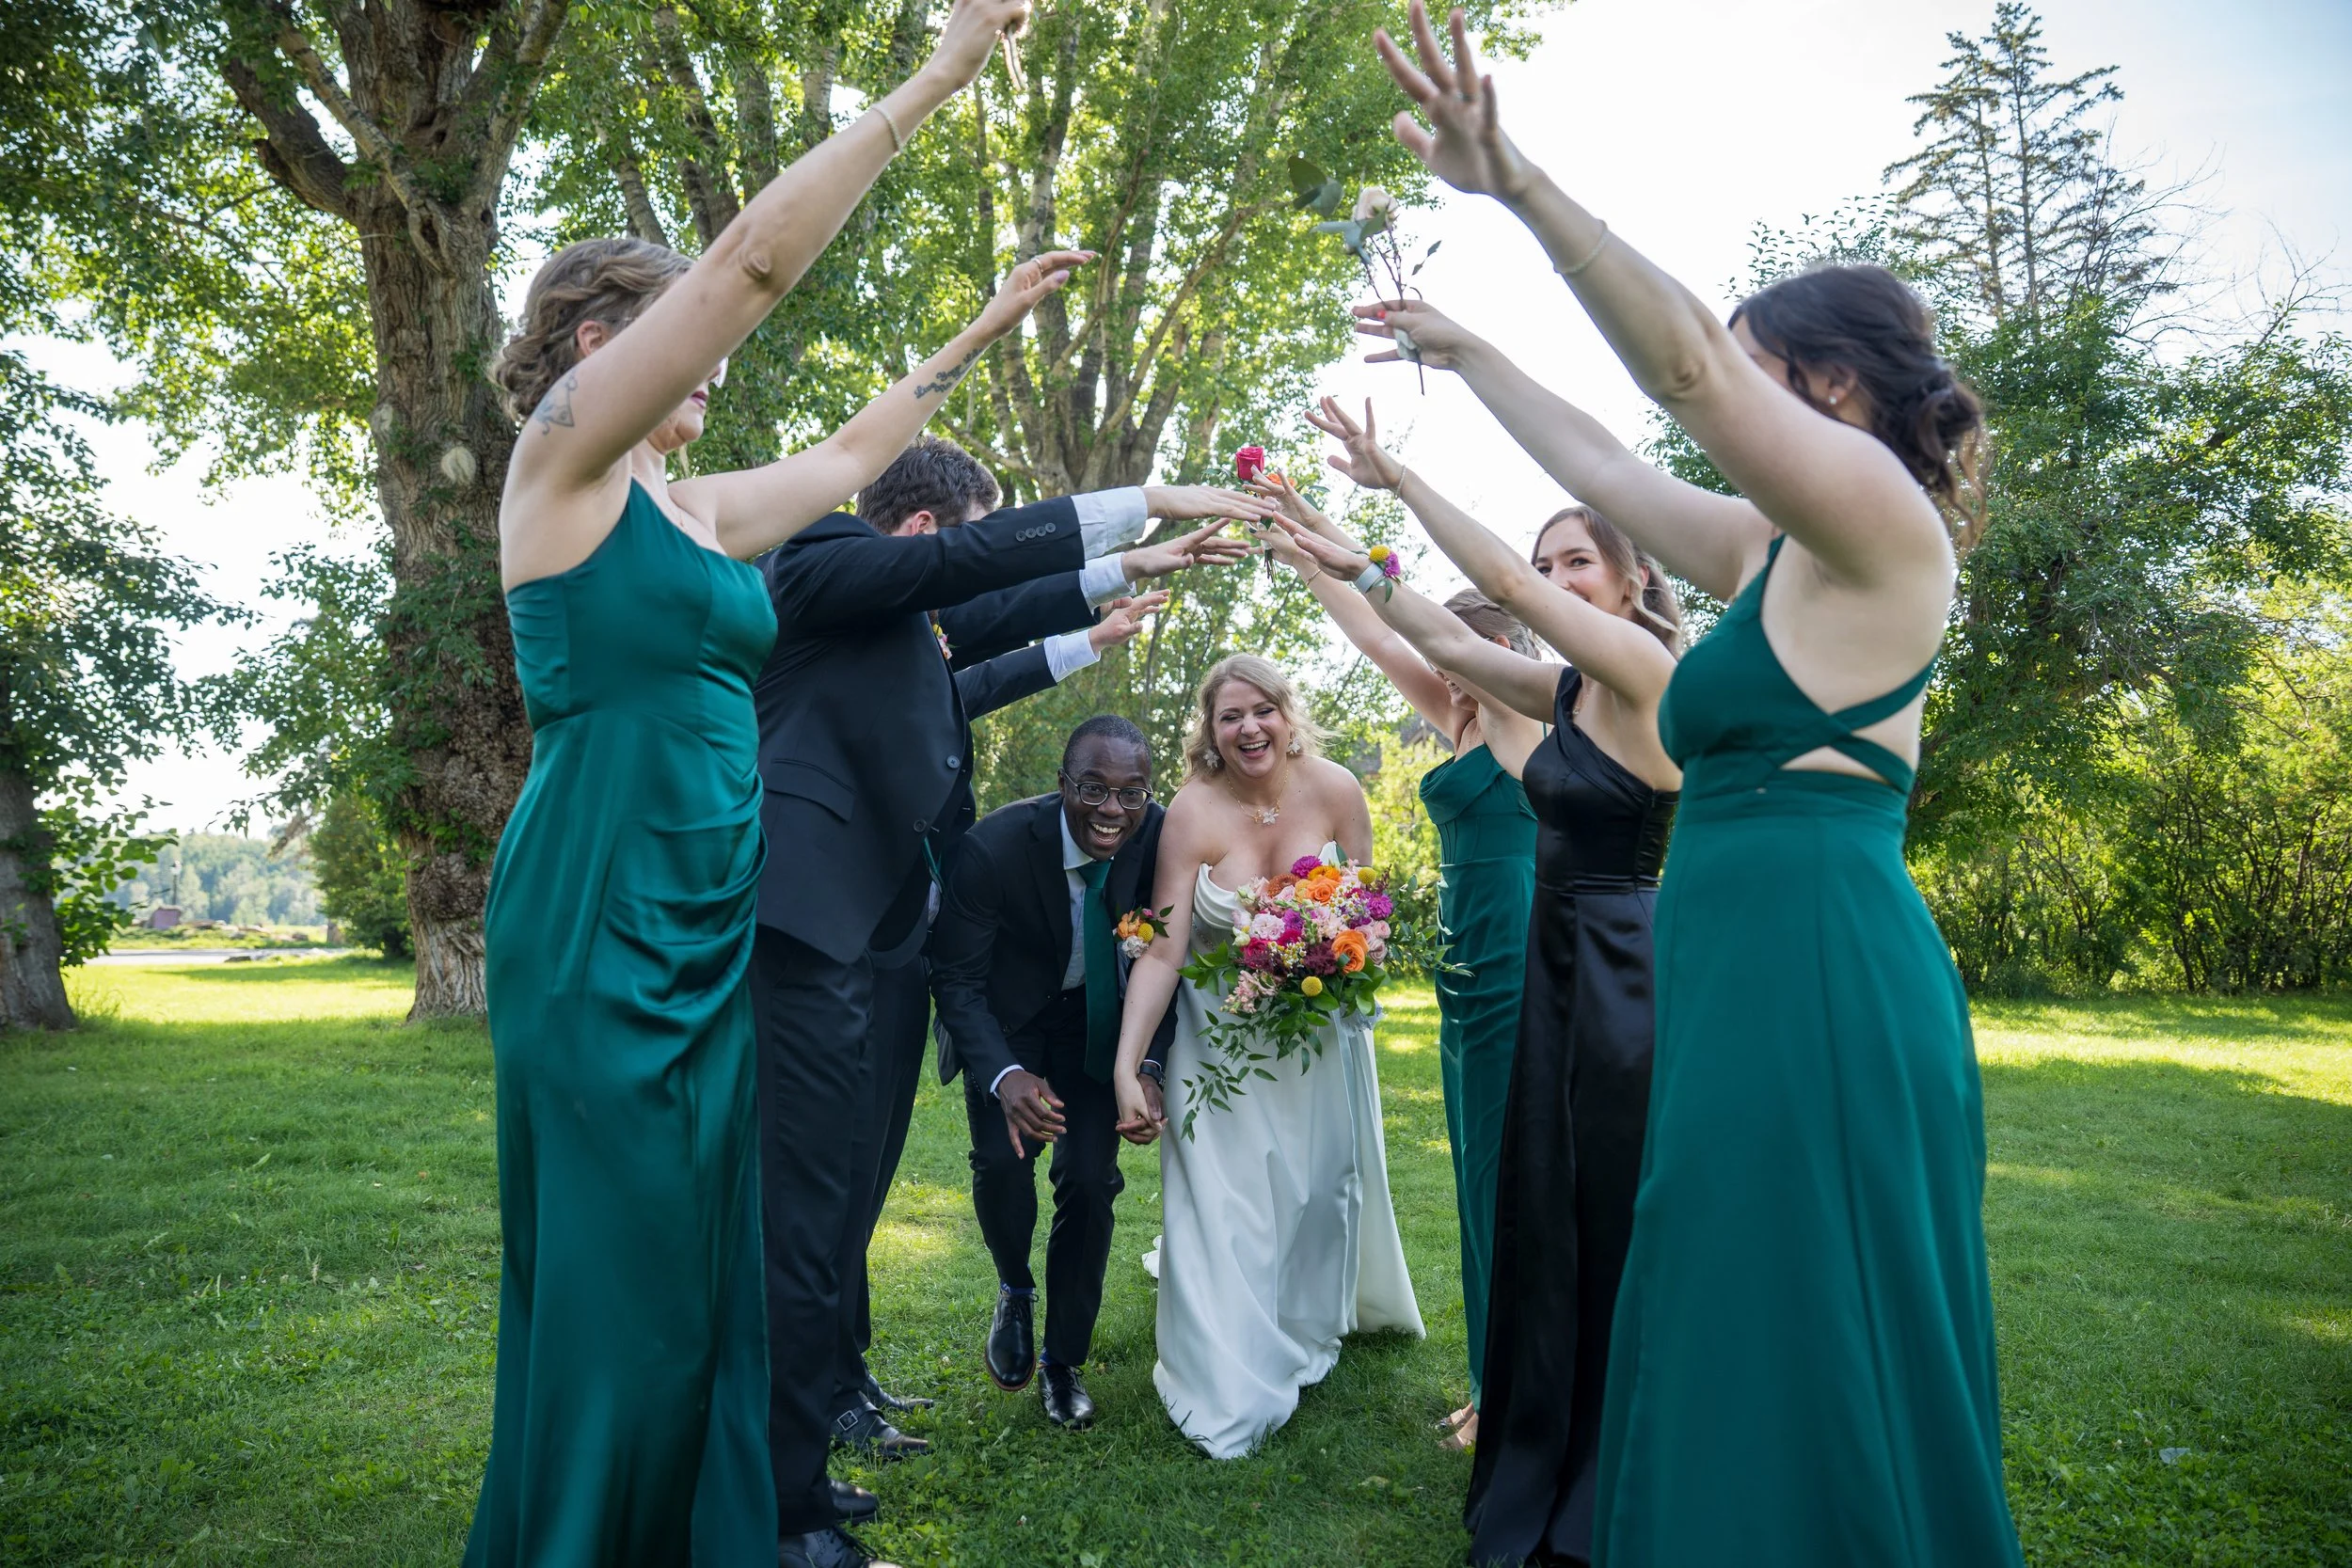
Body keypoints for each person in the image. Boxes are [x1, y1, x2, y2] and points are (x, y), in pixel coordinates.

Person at [1372, 8, 2025, 1564]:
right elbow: (1612, 463)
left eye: (1757, 370)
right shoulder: (1777, 550)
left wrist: (1513, 179)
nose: (1727, 392)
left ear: (1840, 390)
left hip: (1819, 967)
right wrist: (1470, 360)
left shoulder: (1876, 514)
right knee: (1725, 1289)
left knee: (1807, 1301)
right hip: (1735, 965)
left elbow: (1667, 367)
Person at [469, 5, 1050, 1563]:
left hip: (711, 909)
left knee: (711, 1258)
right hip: (600, 914)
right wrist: (937, 79)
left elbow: (864, 445)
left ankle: (704, 1524)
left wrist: (985, 327)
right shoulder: (564, 462)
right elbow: (749, 272)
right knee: (624, 1266)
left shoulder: (695, 505)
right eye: (694, 347)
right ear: (606, 341)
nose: (717, 372)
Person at [751, 428, 1266, 1557]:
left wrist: (1104, 611)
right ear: (931, 530)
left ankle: (833, 1386)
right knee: (808, 1198)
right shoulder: (826, 559)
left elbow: (973, 648)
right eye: (973, 535)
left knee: (852, 1184)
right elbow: (970, 598)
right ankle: (790, 1462)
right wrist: (1141, 518)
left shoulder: (890, 627)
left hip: (877, 934)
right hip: (813, 928)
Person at [1274, 394, 1681, 1565]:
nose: (1552, 579)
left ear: (1627, 579)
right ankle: (1534, 1418)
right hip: (1550, 966)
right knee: (1538, 1203)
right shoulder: (1553, 703)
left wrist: (1392, 478)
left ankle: (1621, 1440)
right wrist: (1329, 545)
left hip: (1616, 970)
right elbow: (1443, 641)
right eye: (1546, 561)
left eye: (1575, 564)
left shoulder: (1649, 673)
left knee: (1599, 1209)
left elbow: (1488, 595)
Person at [1251, 471, 1545, 1450]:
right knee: (1475, 1179)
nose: (1438, 673)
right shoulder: (1463, 708)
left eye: (1456, 655)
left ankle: (1513, 1392)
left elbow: (1404, 618)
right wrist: (1300, 541)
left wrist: (1347, 543)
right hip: (1466, 972)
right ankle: (1487, 1378)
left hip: (1521, 962)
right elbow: (1375, 632)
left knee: (1507, 1181)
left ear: (1498, 649)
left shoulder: (1519, 716)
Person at [1108, 655, 1423, 1459]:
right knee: (1226, 1206)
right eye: (1229, 716)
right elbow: (1164, 951)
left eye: (1262, 710)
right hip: (1219, 1048)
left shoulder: (1338, 790)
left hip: (1318, 1044)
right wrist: (1127, 1064)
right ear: (1210, 731)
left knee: (1316, 1198)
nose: (1248, 727)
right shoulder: (1191, 810)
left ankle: (1301, 1321)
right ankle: (1223, 1381)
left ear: (1288, 714)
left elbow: (1372, 913)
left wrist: (1336, 953)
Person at [926, 716, 1183, 1428]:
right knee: (1003, 1164)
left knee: (1091, 1179)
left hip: (1101, 1025)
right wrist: (1005, 1075)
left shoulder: (1160, 836)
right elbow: (956, 981)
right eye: (1094, 788)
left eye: (1132, 793)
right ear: (1063, 784)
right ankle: (1014, 1286)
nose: (1112, 809)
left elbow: (1168, 959)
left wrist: (1150, 1063)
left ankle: (1063, 1360)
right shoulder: (994, 849)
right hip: (1007, 1026)